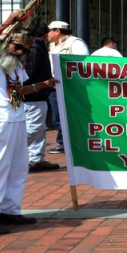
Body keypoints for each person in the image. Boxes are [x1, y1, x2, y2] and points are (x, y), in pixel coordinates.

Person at [0, 13, 58, 234]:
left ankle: (9, 210)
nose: (20, 52)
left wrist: (42, 85)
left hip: (17, 119)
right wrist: (7, 24)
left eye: (24, 50)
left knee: (17, 168)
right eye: (16, 47)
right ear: (6, 44)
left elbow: (18, 92)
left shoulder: (16, 68)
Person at [47, 21, 89, 154]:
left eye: (50, 30)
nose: (48, 33)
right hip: (55, 85)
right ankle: (63, 142)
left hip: (69, 86)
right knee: (57, 117)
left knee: (70, 115)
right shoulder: (53, 45)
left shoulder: (75, 43)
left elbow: (81, 63)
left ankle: (73, 142)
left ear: (58, 31)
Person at [24, 23, 59, 172]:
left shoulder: (38, 47)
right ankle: (13, 151)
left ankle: (37, 159)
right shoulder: (35, 48)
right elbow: (29, 73)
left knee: (41, 129)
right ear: (45, 34)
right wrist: (42, 84)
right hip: (34, 95)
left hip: (38, 93)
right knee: (34, 128)